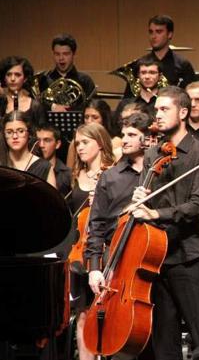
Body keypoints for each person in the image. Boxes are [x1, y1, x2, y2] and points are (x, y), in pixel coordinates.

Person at [130, 86, 199, 359]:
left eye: (164, 109)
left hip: (189, 258)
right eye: (156, 109)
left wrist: (157, 214)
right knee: (163, 343)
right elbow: (145, 202)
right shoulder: (152, 153)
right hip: (156, 259)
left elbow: (197, 206)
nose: (157, 114)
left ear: (183, 112)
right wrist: (140, 198)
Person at [86, 113, 150, 296]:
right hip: (114, 257)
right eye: (123, 135)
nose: (124, 140)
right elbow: (96, 224)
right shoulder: (110, 176)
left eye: (131, 135)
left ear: (146, 138)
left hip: (149, 255)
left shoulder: (159, 174)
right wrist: (95, 267)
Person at [68, 122, 115, 360]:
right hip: (79, 253)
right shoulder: (76, 175)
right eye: (77, 144)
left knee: (106, 312)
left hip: (104, 251)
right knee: (82, 313)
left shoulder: (112, 174)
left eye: (85, 142)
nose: (80, 148)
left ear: (100, 142)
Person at [39, 33, 96, 112]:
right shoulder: (44, 80)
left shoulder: (85, 80)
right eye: (57, 54)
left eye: (66, 54)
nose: (61, 58)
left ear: (74, 54)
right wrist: (52, 106)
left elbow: (93, 107)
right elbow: (36, 104)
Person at [1, 111, 55, 186]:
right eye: (9, 132)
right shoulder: (1, 163)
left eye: (20, 131)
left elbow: (53, 197)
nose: (15, 136)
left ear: (29, 133)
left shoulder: (44, 167)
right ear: (4, 134)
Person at [66, 100, 119, 168]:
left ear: (104, 119)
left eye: (95, 117)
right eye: (86, 117)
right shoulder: (75, 143)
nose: (89, 121)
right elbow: (69, 173)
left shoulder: (115, 142)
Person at [114, 58, 162, 132]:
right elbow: (115, 131)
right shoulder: (125, 104)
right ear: (138, 76)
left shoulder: (164, 104)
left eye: (152, 72)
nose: (147, 77)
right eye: (143, 72)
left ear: (160, 76)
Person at [0, 56, 46, 125]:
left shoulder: (35, 106)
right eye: (9, 75)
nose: (12, 79)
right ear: (4, 78)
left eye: (17, 75)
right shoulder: (1, 102)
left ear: (25, 79)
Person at [36, 124, 72, 197]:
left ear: (57, 144)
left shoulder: (67, 174)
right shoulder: (30, 169)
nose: (41, 145)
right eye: (38, 140)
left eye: (47, 140)